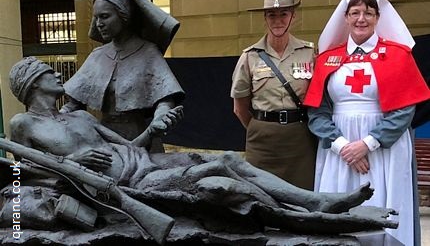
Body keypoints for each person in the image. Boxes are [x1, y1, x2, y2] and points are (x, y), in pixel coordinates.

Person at [3, 56, 396, 238]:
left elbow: (130, 147)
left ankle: (313, 202)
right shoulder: (23, 124)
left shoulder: (81, 117)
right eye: (48, 71)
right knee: (220, 183)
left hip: (144, 165)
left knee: (225, 158)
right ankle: (303, 217)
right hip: (124, 189)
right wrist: (70, 160)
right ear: (32, 83)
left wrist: (155, 126)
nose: (59, 75)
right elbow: (21, 174)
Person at [304, 0, 430, 246]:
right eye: (355, 13)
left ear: (377, 18)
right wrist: (342, 146)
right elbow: (317, 112)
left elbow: (404, 110)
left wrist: (367, 144)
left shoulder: (398, 55)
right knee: (338, 207)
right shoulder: (328, 58)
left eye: (368, 13)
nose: (361, 19)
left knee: (385, 204)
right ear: (346, 18)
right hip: (339, 151)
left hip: (385, 150)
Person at [61, 0, 185, 153]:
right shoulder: (97, 56)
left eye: (104, 17)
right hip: (103, 141)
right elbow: (74, 104)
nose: (99, 24)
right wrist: (53, 117)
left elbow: (165, 97)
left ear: (123, 16)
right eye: (96, 18)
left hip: (143, 140)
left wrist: (161, 116)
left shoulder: (148, 52)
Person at [230, 0, 317, 190]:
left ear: (293, 17)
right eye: (271, 15)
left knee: (302, 194)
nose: (277, 21)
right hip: (262, 141)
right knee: (261, 196)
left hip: (299, 139)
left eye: (283, 14)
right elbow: (239, 107)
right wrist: (262, 127)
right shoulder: (250, 56)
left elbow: (317, 97)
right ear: (265, 18)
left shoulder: (309, 53)